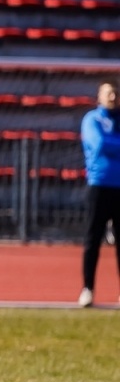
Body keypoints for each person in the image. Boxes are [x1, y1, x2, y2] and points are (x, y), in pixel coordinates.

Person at [79, 81, 120, 308]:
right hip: (99, 185)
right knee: (92, 239)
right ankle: (88, 289)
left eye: (115, 93)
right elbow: (100, 144)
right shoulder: (92, 119)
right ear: (100, 96)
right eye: (109, 93)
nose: (113, 97)